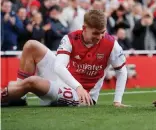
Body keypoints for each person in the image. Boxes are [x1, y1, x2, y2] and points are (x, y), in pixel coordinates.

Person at [1, 10, 129, 107]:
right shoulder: (70, 38)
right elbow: (58, 66)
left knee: (32, 82)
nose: (100, 37)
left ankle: (14, 91)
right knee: (31, 45)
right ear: (84, 28)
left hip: (82, 95)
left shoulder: (111, 44)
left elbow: (122, 71)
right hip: (67, 81)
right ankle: (19, 97)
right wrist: (78, 86)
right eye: (96, 33)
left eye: (103, 32)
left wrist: (117, 101)